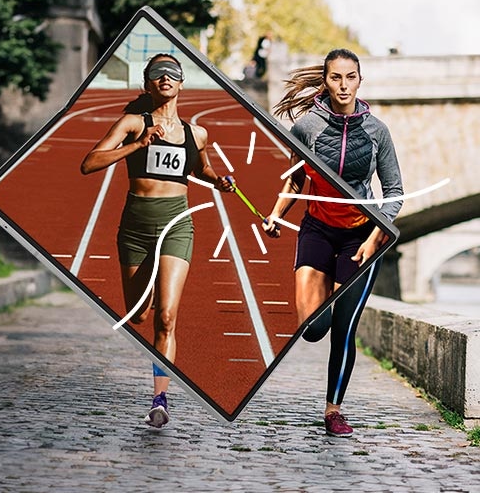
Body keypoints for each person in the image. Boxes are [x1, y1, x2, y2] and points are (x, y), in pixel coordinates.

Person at [81, 53, 233, 428]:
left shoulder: (196, 133)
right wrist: (138, 144)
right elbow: (89, 163)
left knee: (166, 317)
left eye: (173, 73)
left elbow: (201, 167)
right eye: (157, 73)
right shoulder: (133, 123)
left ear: (181, 83)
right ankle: (147, 303)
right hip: (135, 226)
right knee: (141, 314)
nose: (166, 77)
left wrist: (218, 180)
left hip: (176, 224)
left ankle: (159, 399)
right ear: (148, 84)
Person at [262, 48, 403, 437]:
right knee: (312, 326)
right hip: (318, 230)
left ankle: (333, 411)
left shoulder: (377, 131)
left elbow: (394, 192)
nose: (343, 85)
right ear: (325, 81)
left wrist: (376, 236)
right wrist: (277, 213)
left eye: (351, 77)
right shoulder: (307, 127)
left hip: (361, 236)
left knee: (344, 327)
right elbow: (294, 179)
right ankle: (319, 323)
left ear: (360, 80)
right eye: (336, 77)